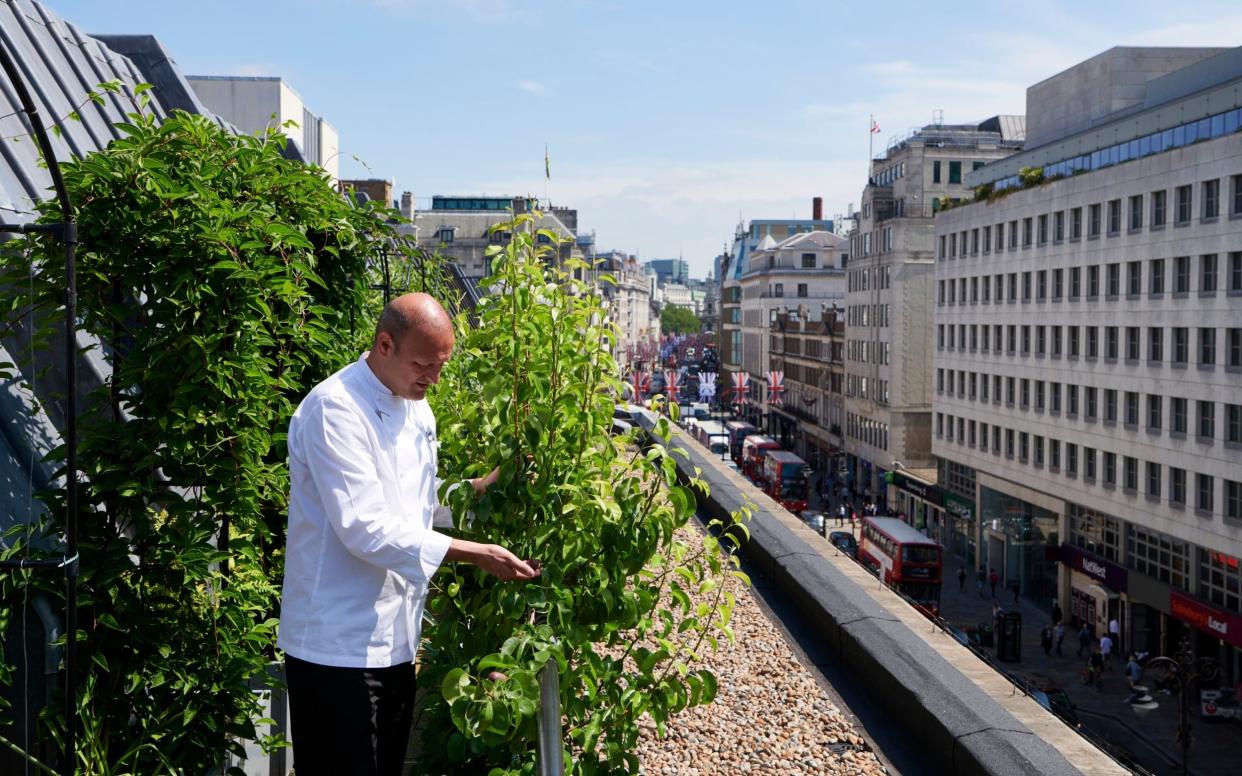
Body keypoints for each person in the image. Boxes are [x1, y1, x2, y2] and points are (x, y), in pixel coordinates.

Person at [278, 294, 541, 776]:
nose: (433, 378)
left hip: (396, 640)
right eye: (424, 364)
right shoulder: (335, 409)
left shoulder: (418, 408)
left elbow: (414, 499)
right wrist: (473, 553)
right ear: (384, 344)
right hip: (336, 646)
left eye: (441, 365)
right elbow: (366, 527)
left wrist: (479, 490)